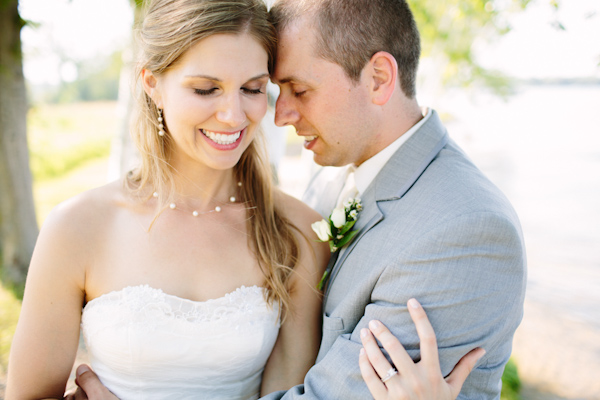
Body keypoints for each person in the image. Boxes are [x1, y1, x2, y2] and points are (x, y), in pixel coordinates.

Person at [70, 0, 527, 398]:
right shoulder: (330, 183)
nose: (280, 114)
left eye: (299, 90)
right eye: (272, 90)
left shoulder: (465, 230)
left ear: (378, 78)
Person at [5, 0, 330, 399]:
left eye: (252, 89)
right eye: (206, 89)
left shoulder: (296, 232)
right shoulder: (77, 228)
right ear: (152, 85)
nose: (233, 115)